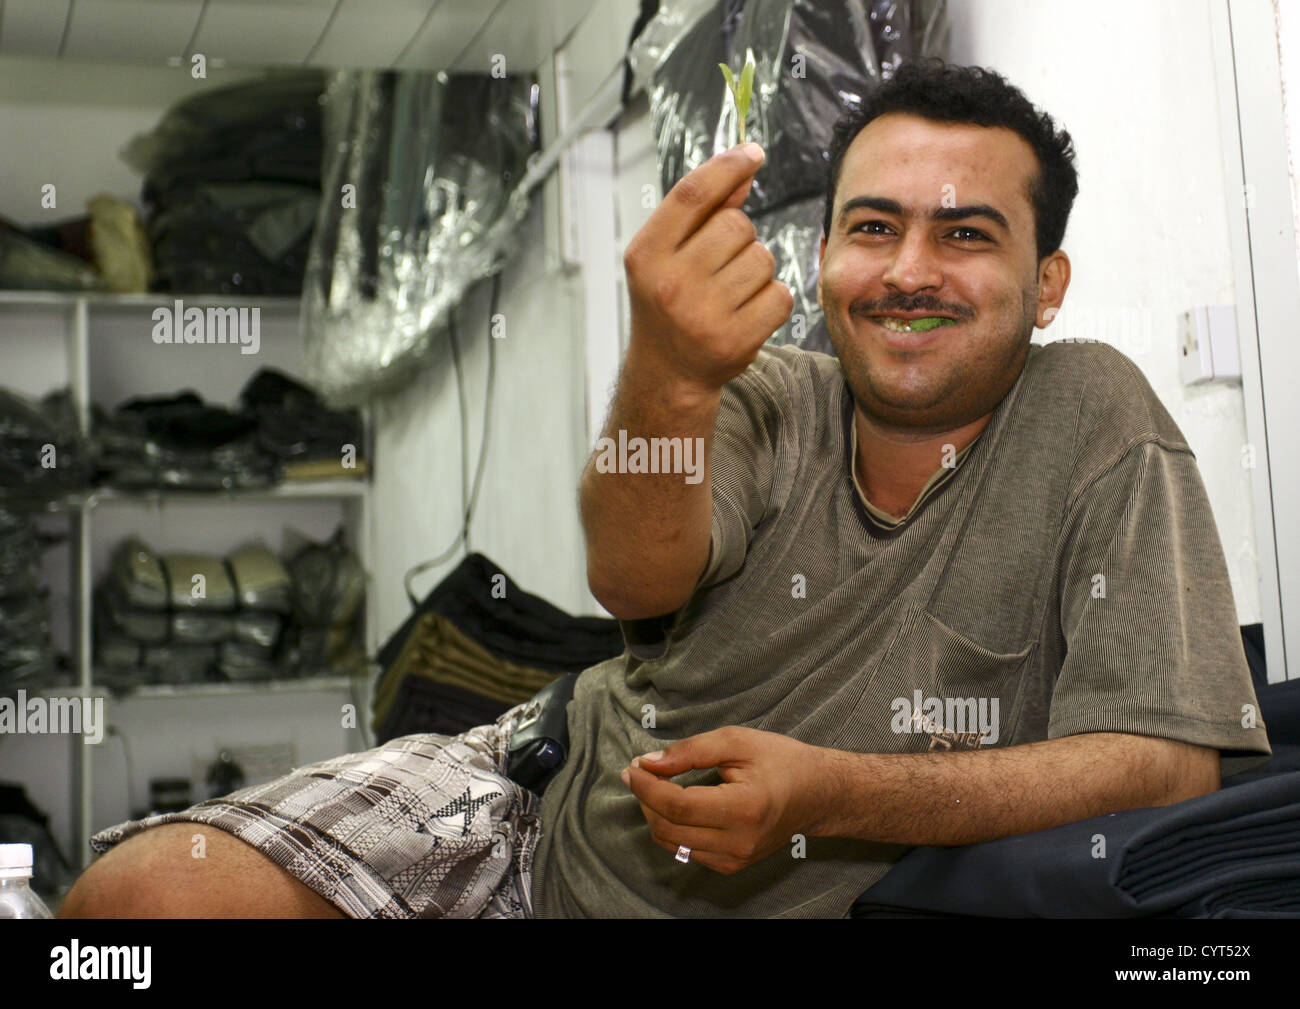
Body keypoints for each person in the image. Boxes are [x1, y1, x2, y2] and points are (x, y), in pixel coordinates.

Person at [59, 59, 1271, 920]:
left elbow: (1167, 763)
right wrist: (670, 373)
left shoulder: (1091, 413)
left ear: (1045, 281)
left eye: (965, 235)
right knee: (134, 908)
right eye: (871, 227)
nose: (907, 270)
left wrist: (838, 793)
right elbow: (630, 577)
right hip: (533, 799)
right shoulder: (765, 393)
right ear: (822, 256)